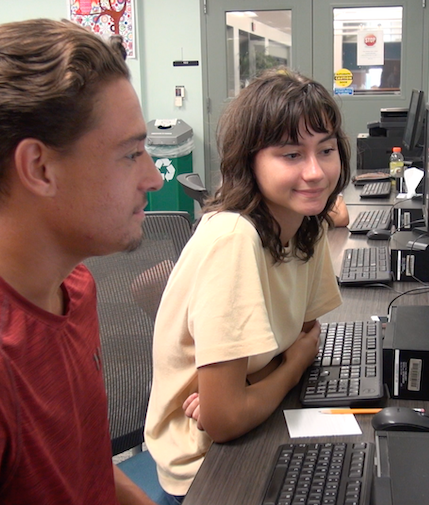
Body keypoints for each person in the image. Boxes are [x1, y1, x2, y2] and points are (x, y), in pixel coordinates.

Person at [0, 19, 164, 504]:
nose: (154, 177)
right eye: (132, 153)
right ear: (40, 168)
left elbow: (85, 470)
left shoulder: (74, 287)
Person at [144, 67, 351, 502]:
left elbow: (304, 334)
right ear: (249, 161)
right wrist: (290, 367)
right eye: (291, 155)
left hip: (252, 426)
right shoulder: (234, 238)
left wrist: (253, 387)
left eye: (326, 150)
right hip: (207, 469)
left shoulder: (303, 221)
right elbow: (223, 420)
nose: (315, 172)